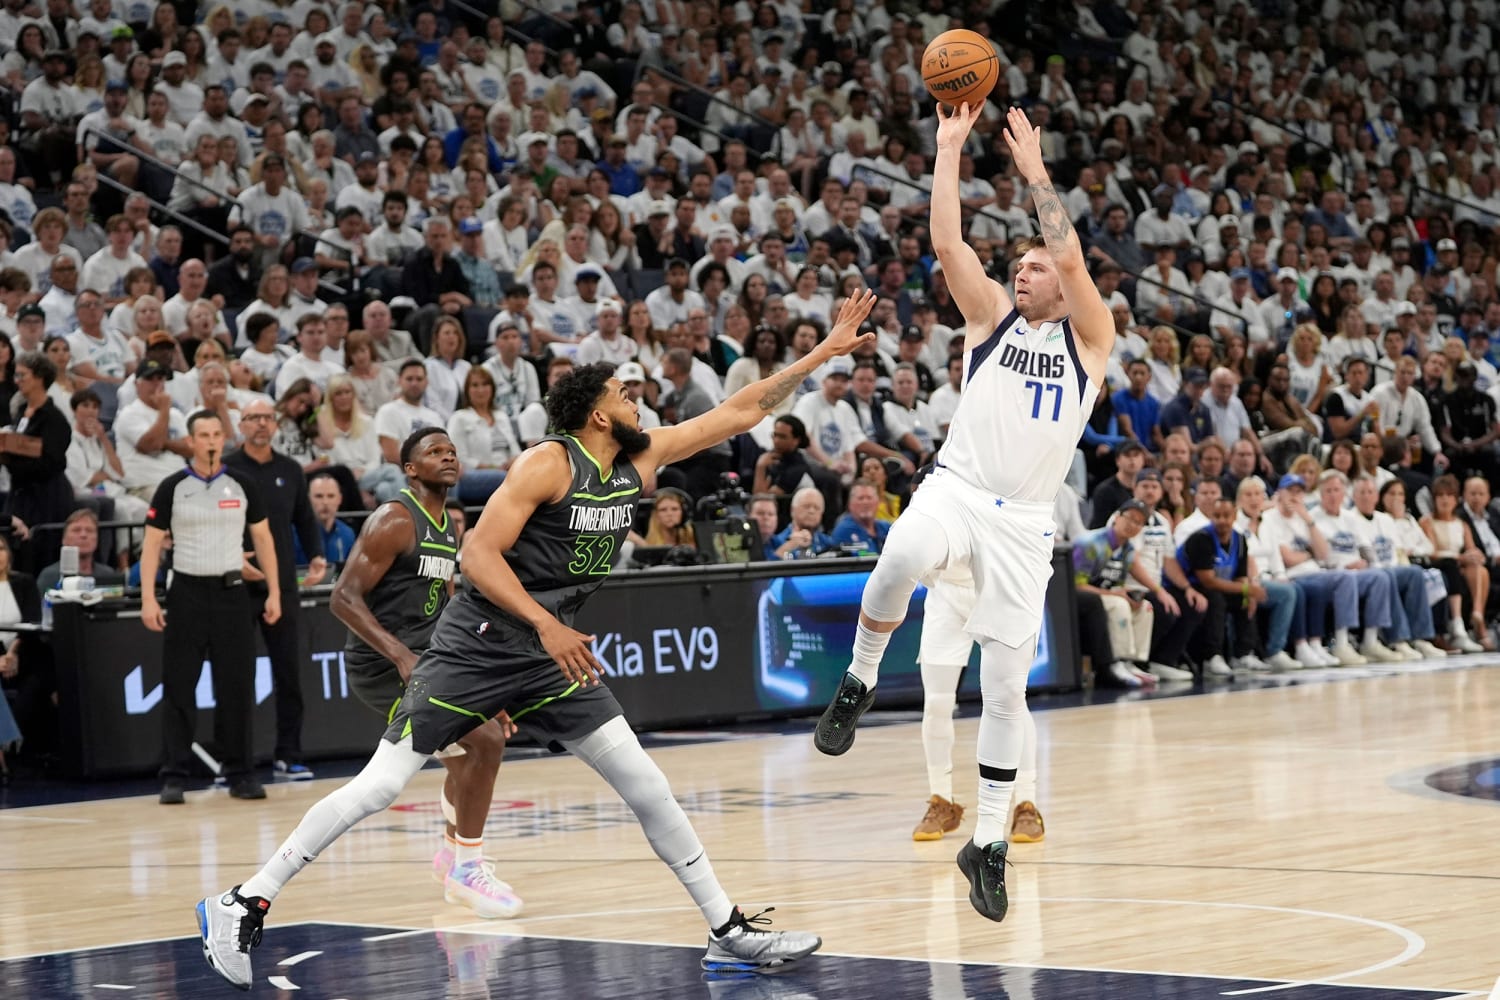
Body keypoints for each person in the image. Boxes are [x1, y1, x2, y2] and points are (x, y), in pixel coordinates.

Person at [197, 291, 877, 989]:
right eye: (624, 392)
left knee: (647, 784)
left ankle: (725, 930)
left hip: (552, 657)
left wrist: (822, 353)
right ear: (598, 412)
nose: (638, 399)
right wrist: (549, 624)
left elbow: (742, 410)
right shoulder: (547, 464)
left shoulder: (641, 463)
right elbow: (479, 557)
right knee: (380, 786)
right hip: (477, 647)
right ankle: (242, 901)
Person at [811, 106, 1114, 923]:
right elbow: (948, 245)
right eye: (1015, 263)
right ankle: (861, 677)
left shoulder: (1091, 338)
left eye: (1034, 265)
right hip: (957, 488)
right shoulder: (990, 320)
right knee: (903, 553)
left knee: (1008, 693)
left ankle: (987, 843)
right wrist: (947, 150)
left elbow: (1077, 259)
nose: (1022, 271)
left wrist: (1039, 175)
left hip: (1023, 525)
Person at [328, 427, 518, 918]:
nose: (448, 456)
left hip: (428, 660)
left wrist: (479, 679)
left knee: (475, 750)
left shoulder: (447, 527)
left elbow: (442, 612)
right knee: (485, 743)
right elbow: (342, 598)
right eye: (434, 452)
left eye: (452, 450)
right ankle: (465, 866)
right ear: (410, 469)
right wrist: (399, 656)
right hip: (382, 664)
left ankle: (454, 856)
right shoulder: (395, 518)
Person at [142, 409, 280, 805]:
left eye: (217, 433)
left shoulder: (242, 484)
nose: (211, 441)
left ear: (224, 438)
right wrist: (150, 597)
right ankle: (174, 774)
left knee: (236, 687)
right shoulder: (172, 487)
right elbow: (152, 543)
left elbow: (264, 539)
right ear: (190, 442)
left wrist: (273, 591)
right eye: (203, 435)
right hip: (186, 592)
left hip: (232, 594)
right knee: (179, 686)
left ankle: (240, 772)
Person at [225, 399, 327, 780]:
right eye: (253, 418)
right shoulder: (228, 468)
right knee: (236, 674)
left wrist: (316, 555)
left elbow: (304, 517)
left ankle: (289, 754)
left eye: (267, 418)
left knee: (289, 672)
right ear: (241, 424)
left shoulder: (290, 469)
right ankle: (235, 759)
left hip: (282, 583)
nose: (262, 425)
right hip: (236, 583)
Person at [293, 472, 355, 567]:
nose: (325, 502)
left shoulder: (347, 534)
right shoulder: (293, 533)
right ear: (308, 499)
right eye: (319, 496)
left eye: (331, 496)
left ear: (340, 499)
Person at [829, 478, 891, 553]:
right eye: (860, 498)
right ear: (850, 504)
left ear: (877, 503)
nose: (865, 502)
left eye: (869, 498)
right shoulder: (844, 530)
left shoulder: (886, 528)